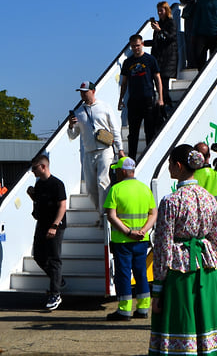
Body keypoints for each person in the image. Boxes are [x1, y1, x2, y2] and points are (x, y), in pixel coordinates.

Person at [141, 144, 217, 356]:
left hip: (180, 273)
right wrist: (213, 264)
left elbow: (163, 246)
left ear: (178, 165)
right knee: (208, 324)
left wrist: (158, 288)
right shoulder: (208, 198)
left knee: (181, 326)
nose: (168, 168)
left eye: (169, 164)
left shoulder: (171, 201)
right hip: (206, 271)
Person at [103, 157, 157, 320]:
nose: (116, 173)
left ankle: (124, 310)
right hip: (142, 240)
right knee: (141, 273)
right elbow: (153, 213)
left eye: (118, 170)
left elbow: (111, 216)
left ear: (124, 171)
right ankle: (143, 309)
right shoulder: (144, 189)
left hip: (123, 241)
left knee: (124, 274)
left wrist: (128, 232)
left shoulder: (116, 189)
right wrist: (143, 231)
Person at [68, 80, 125, 217]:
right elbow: (73, 135)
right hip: (88, 152)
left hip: (105, 149)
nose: (82, 95)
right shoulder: (79, 112)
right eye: (81, 93)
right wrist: (70, 126)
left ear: (93, 91)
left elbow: (115, 129)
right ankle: (100, 211)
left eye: (85, 92)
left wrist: (120, 149)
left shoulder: (105, 107)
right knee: (90, 187)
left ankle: (104, 215)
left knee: (102, 181)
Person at [26, 154, 67, 311]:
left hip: (54, 225)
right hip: (41, 223)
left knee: (54, 258)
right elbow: (40, 202)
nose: (33, 171)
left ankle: (55, 293)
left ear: (43, 167)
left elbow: (62, 206)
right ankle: (58, 280)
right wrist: (32, 196)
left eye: (35, 168)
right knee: (38, 256)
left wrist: (55, 225)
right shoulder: (39, 185)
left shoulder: (57, 184)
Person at [118, 34, 164, 159]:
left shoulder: (150, 59)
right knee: (133, 133)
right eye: (133, 46)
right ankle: (132, 159)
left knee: (149, 131)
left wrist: (161, 98)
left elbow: (158, 79)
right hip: (133, 100)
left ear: (142, 44)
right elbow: (124, 83)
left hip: (148, 98)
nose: (135, 48)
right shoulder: (128, 62)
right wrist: (121, 99)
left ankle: (149, 156)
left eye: (137, 45)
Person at [144, 1, 178, 113]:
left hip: (168, 58)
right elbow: (157, 41)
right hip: (158, 57)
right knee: (158, 85)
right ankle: (163, 107)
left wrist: (159, 30)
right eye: (158, 11)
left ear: (166, 10)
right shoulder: (160, 24)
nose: (159, 13)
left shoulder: (171, 23)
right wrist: (144, 43)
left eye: (161, 10)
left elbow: (171, 38)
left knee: (164, 85)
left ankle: (167, 106)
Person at [180, 0, 204, 68]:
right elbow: (182, 1)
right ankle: (191, 63)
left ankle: (200, 63)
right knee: (189, 39)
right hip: (189, 14)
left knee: (200, 40)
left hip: (200, 15)